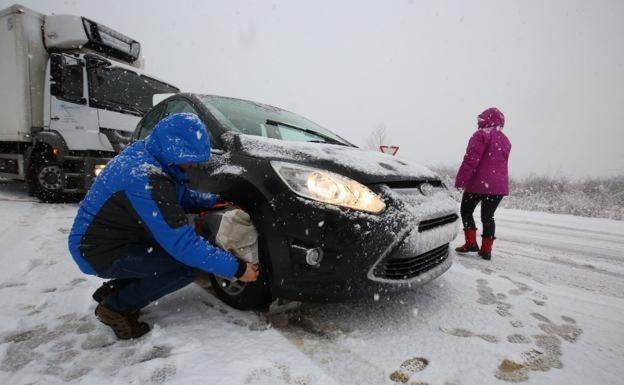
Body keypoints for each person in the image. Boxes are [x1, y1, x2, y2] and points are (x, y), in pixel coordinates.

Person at [68, 113, 259, 339]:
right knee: (184, 267)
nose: (193, 165)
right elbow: (183, 245)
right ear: (174, 150)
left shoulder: (149, 157)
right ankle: (116, 307)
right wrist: (237, 269)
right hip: (97, 250)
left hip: (117, 238)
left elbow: (176, 196)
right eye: (190, 158)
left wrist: (215, 202)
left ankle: (117, 290)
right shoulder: (145, 177)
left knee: (166, 255)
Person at [454, 107, 511, 260]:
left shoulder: (481, 135)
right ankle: (486, 250)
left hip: (479, 184)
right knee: (488, 217)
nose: (479, 122)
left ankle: (471, 243)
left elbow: (471, 160)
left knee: (466, 211)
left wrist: (461, 180)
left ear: (488, 119)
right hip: (498, 187)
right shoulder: (505, 140)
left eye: (481, 119)